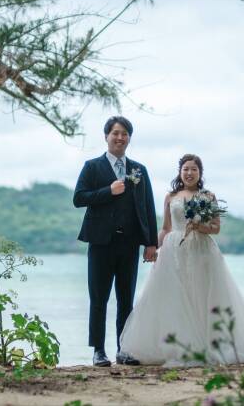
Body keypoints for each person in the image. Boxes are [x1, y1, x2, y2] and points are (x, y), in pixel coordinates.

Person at [118, 154, 244, 366]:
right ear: (180, 172)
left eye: (194, 169)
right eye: (185, 169)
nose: (189, 173)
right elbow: (166, 228)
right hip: (174, 251)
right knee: (175, 297)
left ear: (200, 173)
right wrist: (152, 247)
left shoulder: (208, 196)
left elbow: (215, 228)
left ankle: (207, 345)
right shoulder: (171, 196)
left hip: (202, 249)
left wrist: (198, 226)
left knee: (203, 294)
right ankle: (178, 345)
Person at [73, 116, 158, 367]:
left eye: (125, 134)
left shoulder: (139, 170)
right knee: (98, 299)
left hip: (129, 245)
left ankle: (124, 349)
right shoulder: (92, 167)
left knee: (125, 299)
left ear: (129, 138)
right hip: (100, 243)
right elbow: (79, 198)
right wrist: (107, 191)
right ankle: (99, 351)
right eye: (115, 133)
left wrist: (151, 242)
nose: (120, 138)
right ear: (106, 136)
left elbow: (147, 207)